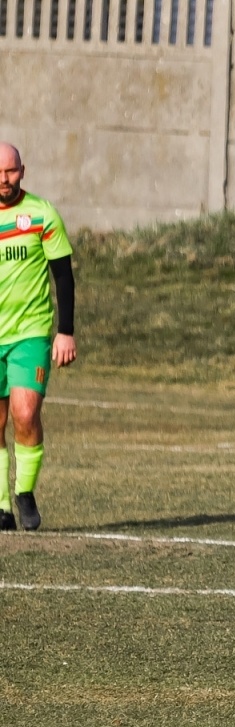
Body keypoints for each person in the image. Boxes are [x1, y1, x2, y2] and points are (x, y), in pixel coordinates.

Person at [0, 143, 77, 531]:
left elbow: (62, 274)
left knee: (25, 414)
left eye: (10, 171)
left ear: (23, 171)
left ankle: (24, 492)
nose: (4, 179)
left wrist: (66, 331)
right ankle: (0, 508)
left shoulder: (41, 214)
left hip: (30, 332)